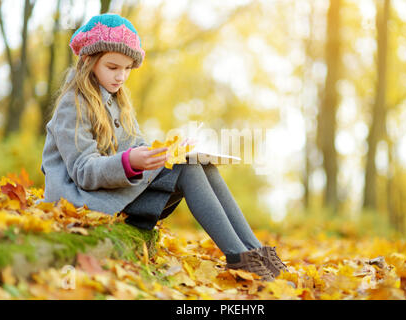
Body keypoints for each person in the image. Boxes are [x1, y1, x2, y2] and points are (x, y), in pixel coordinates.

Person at [40, 13, 287, 281]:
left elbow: (138, 145)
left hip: (116, 194)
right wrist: (129, 163)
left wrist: (169, 150)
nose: (121, 76)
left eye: (127, 69)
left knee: (197, 164)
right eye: (113, 67)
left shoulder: (117, 100)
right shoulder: (73, 105)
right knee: (187, 171)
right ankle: (238, 257)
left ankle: (255, 251)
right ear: (88, 60)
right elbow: (83, 171)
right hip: (83, 200)